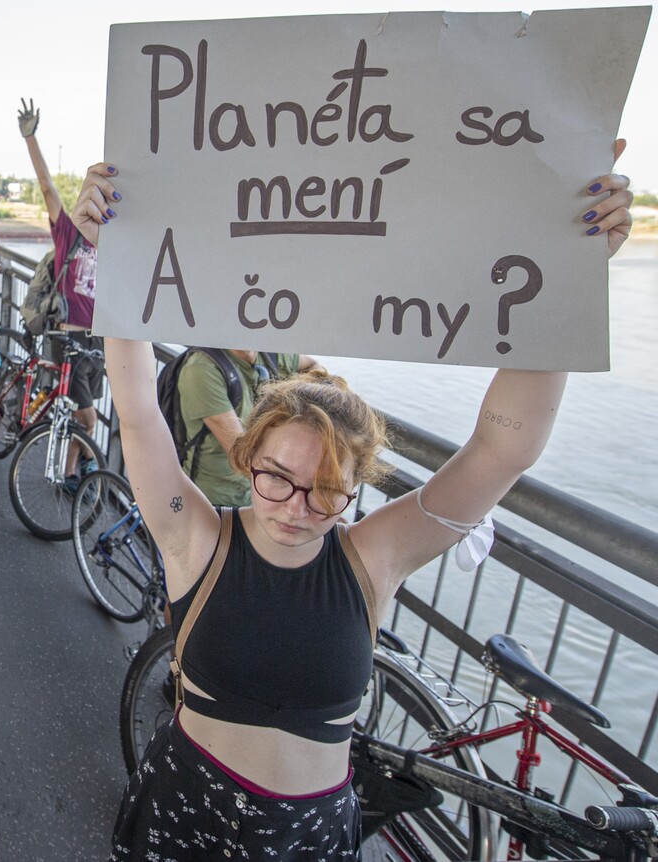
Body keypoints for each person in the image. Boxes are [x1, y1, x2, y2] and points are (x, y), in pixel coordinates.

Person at [71, 140, 632, 859]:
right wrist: (117, 254)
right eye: (275, 476)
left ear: (356, 488)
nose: (296, 505)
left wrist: (568, 271)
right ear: (248, 459)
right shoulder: (197, 540)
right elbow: (138, 408)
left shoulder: (375, 556)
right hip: (188, 807)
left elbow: (502, 448)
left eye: (328, 489)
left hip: (308, 834)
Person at [18, 98, 104, 489]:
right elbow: (48, 189)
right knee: (87, 420)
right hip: (68, 338)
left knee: (80, 414)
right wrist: (31, 138)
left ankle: (71, 472)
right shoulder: (70, 237)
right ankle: (82, 469)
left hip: (101, 341)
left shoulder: (120, 250)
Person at [179, 349, 318, 507]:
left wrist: (300, 402)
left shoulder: (272, 353)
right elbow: (242, 457)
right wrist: (305, 500)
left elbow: (313, 366)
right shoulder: (201, 368)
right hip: (213, 499)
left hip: (256, 492)